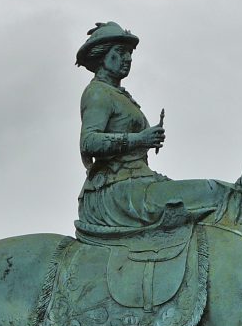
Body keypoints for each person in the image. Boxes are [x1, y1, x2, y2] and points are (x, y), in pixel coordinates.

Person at [75, 22, 221, 229]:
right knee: (213, 192)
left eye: (129, 53)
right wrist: (140, 139)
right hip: (116, 189)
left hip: (138, 181)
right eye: (120, 52)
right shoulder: (98, 92)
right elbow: (89, 142)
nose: (128, 58)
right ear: (101, 56)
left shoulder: (119, 95)